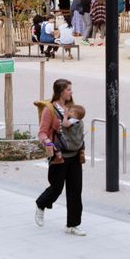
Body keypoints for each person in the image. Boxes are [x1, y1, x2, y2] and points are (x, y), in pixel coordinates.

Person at [35, 79, 86, 236]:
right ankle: (41, 204)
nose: (71, 92)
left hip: (75, 156)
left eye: (71, 89)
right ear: (60, 92)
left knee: (75, 191)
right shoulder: (50, 110)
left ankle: (72, 225)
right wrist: (48, 143)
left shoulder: (72, 108)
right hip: (59, 156)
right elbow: (42, 132)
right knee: (56, 188)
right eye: (68, 89)